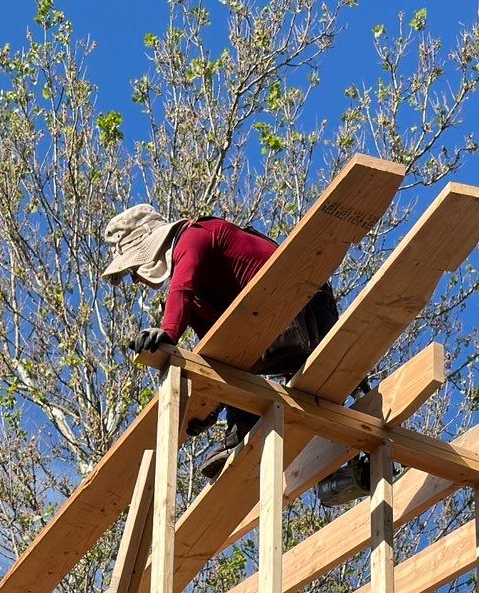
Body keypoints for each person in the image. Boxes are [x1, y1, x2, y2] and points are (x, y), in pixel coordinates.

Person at [101, 203, 343, 482]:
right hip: (283, 327)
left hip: (304, 314)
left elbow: (182, 290)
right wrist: (209, 401)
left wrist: (168, 333)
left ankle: (241, 432)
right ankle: (251, 434)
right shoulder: (199, 292)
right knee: (224, 362)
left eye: (133, 268)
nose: (134, 278)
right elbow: (214, 345)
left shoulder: (194, 238)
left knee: (227, 360)